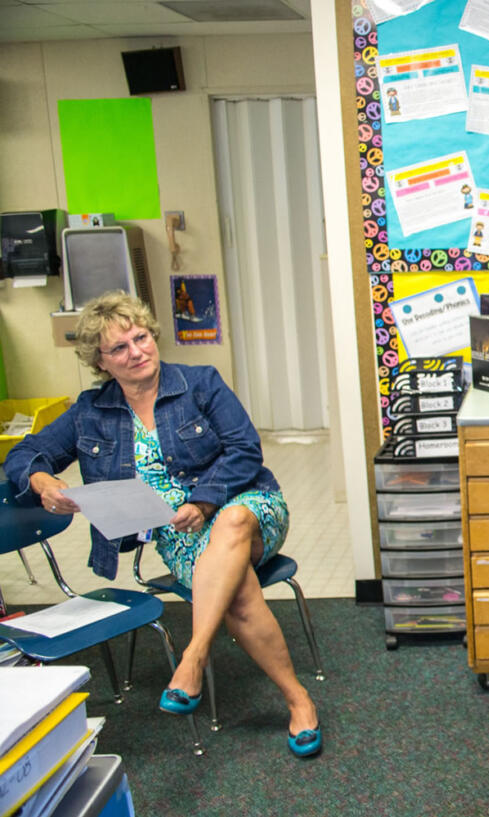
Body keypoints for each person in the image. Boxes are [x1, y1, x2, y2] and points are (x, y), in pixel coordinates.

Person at [3, 292, 322, 758]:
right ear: (101, 361)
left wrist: (204, 501)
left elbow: (245, 450)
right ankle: (300, 700)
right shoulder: (91, 411)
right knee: (236, 588)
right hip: (178, 536)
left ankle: (192, 657)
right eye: (119, 348)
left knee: (232, 522)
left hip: (250, 507)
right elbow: (22, 453)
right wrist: (43, 480)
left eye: (141, 337)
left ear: (153, 336)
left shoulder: (199, 383)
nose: (136, 351)